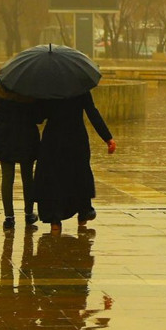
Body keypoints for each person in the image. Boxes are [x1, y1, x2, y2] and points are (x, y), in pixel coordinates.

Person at [34, 92, 116, 232]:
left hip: (53, 139)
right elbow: (92, 112)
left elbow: (39, 118)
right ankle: (83, 212)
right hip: (76, 137)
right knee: (78, 174)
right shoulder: (80, 88)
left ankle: (55, 219)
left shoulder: (47, 88)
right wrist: (107, 138)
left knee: (54, 178)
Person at [0, 76, 41, 230]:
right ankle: (29, 214)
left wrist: (1, 109)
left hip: (5, 138)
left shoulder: (0, 88)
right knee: (28, 177)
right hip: (27, 138)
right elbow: (39, 117)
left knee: (7, 177)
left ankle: (9, 217)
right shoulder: (32, 88)